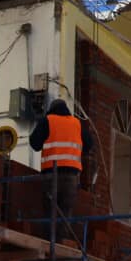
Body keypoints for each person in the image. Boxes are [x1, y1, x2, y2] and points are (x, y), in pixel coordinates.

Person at [28, 98, 91, 240]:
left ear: (52, 109)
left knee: (50, 209)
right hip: (71, 176)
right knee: (66, 210)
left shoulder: (48, 120)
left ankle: (49, 240)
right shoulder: (77, 123)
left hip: (52, 174)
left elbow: (34, 143)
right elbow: (89, 145)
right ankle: (61, 241)